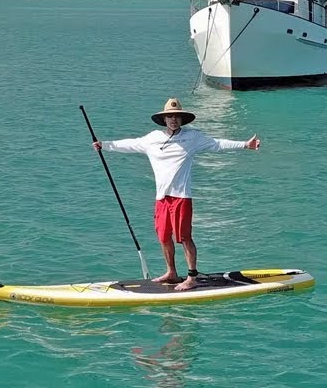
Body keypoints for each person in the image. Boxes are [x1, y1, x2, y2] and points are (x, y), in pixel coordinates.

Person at [93, 98, 259, 291]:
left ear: (182, 119)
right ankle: (171, 272)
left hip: (181, 197)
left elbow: (217, 144)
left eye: (177, 117)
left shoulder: (192, 138)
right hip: (161, 198)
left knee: (185, 238)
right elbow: (130, 144)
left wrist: (245, 144)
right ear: (164, 119)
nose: (173, 120)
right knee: (164, 237)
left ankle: (191, 277)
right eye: (170, 116)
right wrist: (104, 145)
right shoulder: (152, 138)